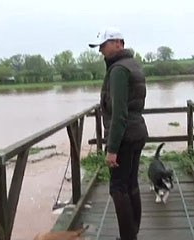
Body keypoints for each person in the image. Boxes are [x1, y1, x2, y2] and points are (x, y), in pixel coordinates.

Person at [88, 27, 148, 240]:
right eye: (100, 47)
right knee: (130, 183)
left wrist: (112, 149)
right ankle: (133, 232)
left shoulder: (118, 70)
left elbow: (120, 113)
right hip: (137, 132)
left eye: (103, 45)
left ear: (118, 43)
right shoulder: (132, 64)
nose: (101, 51)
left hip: (124, 137)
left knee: (117, 188)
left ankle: (128, 237)